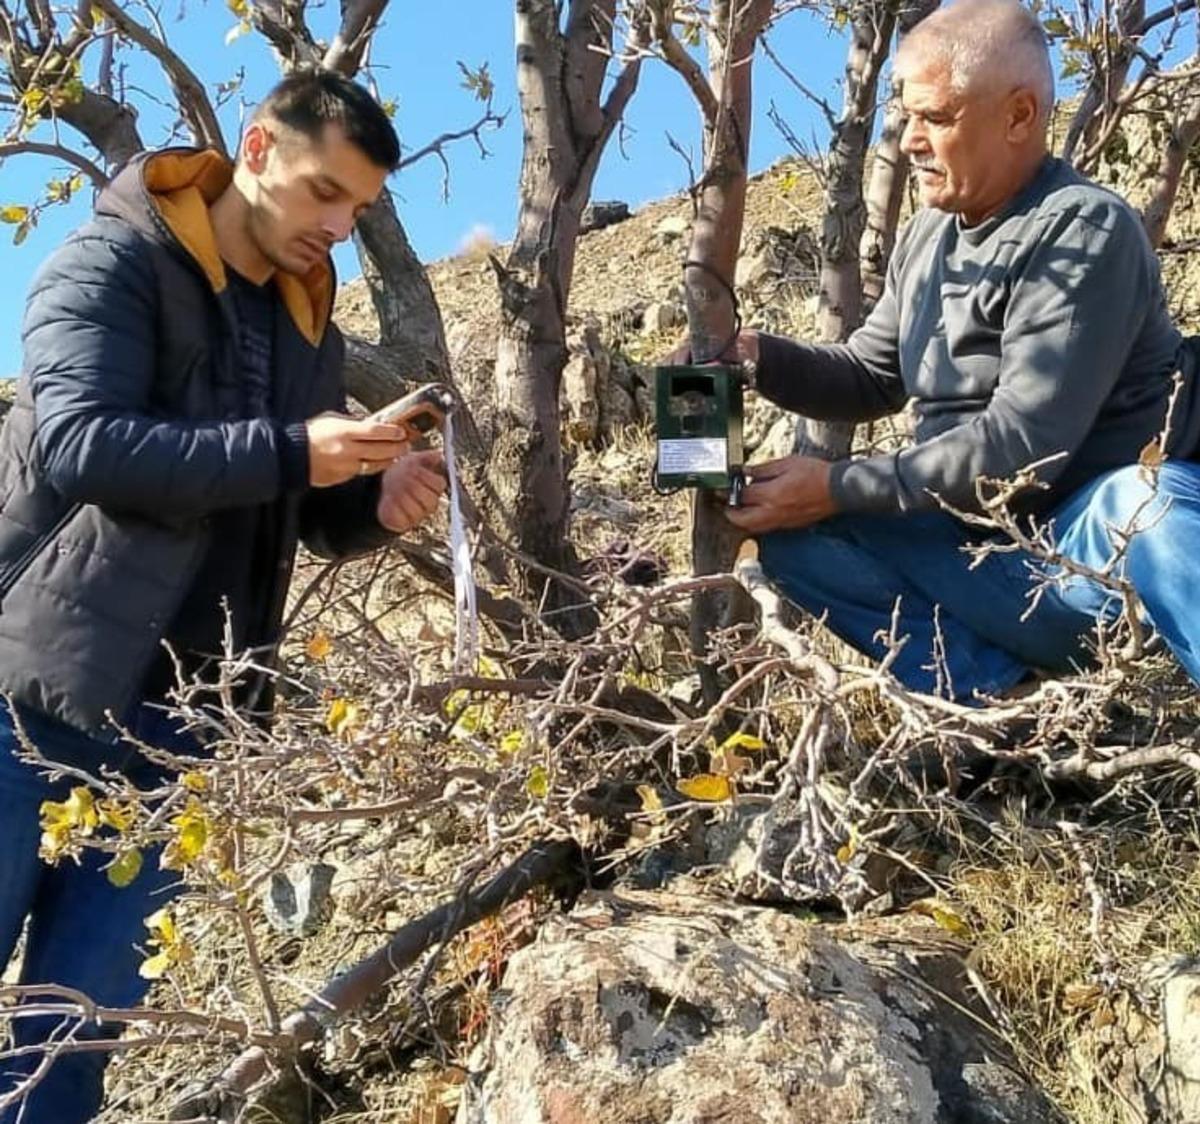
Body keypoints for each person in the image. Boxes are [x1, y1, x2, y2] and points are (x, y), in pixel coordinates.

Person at [0, 70, 447, 1121]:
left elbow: (273, 499)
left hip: (183, 731)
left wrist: (370, 501)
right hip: (30, 697)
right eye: (322, 192)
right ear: (255, 148)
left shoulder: (304, 324)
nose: (337, 226)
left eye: (358, 209)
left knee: (74, 1040)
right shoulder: (110, 261)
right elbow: (80, 445)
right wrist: (296, 445)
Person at [722, 0, 1200, 699]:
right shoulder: (926, 236)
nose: (911, 139)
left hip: (1090, 559)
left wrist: (831, 485)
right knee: (792, 536)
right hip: (977, 549)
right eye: (906, 114)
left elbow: (1023, 445)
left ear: (1018, 116)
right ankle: (997, 708)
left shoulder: (1084, 231)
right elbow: (869, 375)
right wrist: (757, 358)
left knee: (1147, 502)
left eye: (937, 118)